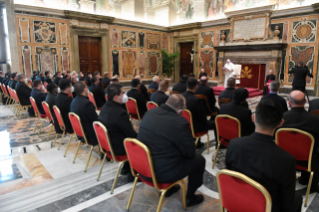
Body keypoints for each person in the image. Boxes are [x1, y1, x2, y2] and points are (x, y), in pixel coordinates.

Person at [226, 98, 302, 212]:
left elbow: (230, 180)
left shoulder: (233, 144)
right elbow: (287, 204)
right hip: (266, 208)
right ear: (281, 123)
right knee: (297, 198)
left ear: (253, 118)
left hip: (236, 203)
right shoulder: (286, 160)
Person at [138, 94, 206, 207]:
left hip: (143, 168)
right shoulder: (180, 122)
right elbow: (190, 153)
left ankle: (169, 189)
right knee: (199, 160)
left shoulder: (150, 113)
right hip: (163, 173)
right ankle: (190, 198)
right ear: (180, 110)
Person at [280, 90, 319, 193]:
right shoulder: (315, 120)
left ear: (289, 102)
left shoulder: (281, 118)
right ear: (305, 101)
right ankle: (311, 183)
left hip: (283, 157)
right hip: (308, 160)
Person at [98, 84, 137, 182]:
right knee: (141, 142)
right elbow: (131, 134)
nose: (124, 95)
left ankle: (126, 168)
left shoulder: (105, 107)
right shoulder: (120, 113)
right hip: (118, 149)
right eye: (122, 93)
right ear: (116, 97)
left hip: (108, 145)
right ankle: (134, 173)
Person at [183, 78, 215, 148]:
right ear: (196, 87)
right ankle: (219, 144)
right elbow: (202, 118)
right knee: (215, 123)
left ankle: (198, 141)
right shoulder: (196, 100)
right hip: (195, 127)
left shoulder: (181, 96)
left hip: (183, 123)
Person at [71, 82, 98, 146]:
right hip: (89, 134)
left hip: (80, 131)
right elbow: (95, 120)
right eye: (86, 87)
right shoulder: (87, 104)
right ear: (85, 90)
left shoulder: (73, 101)